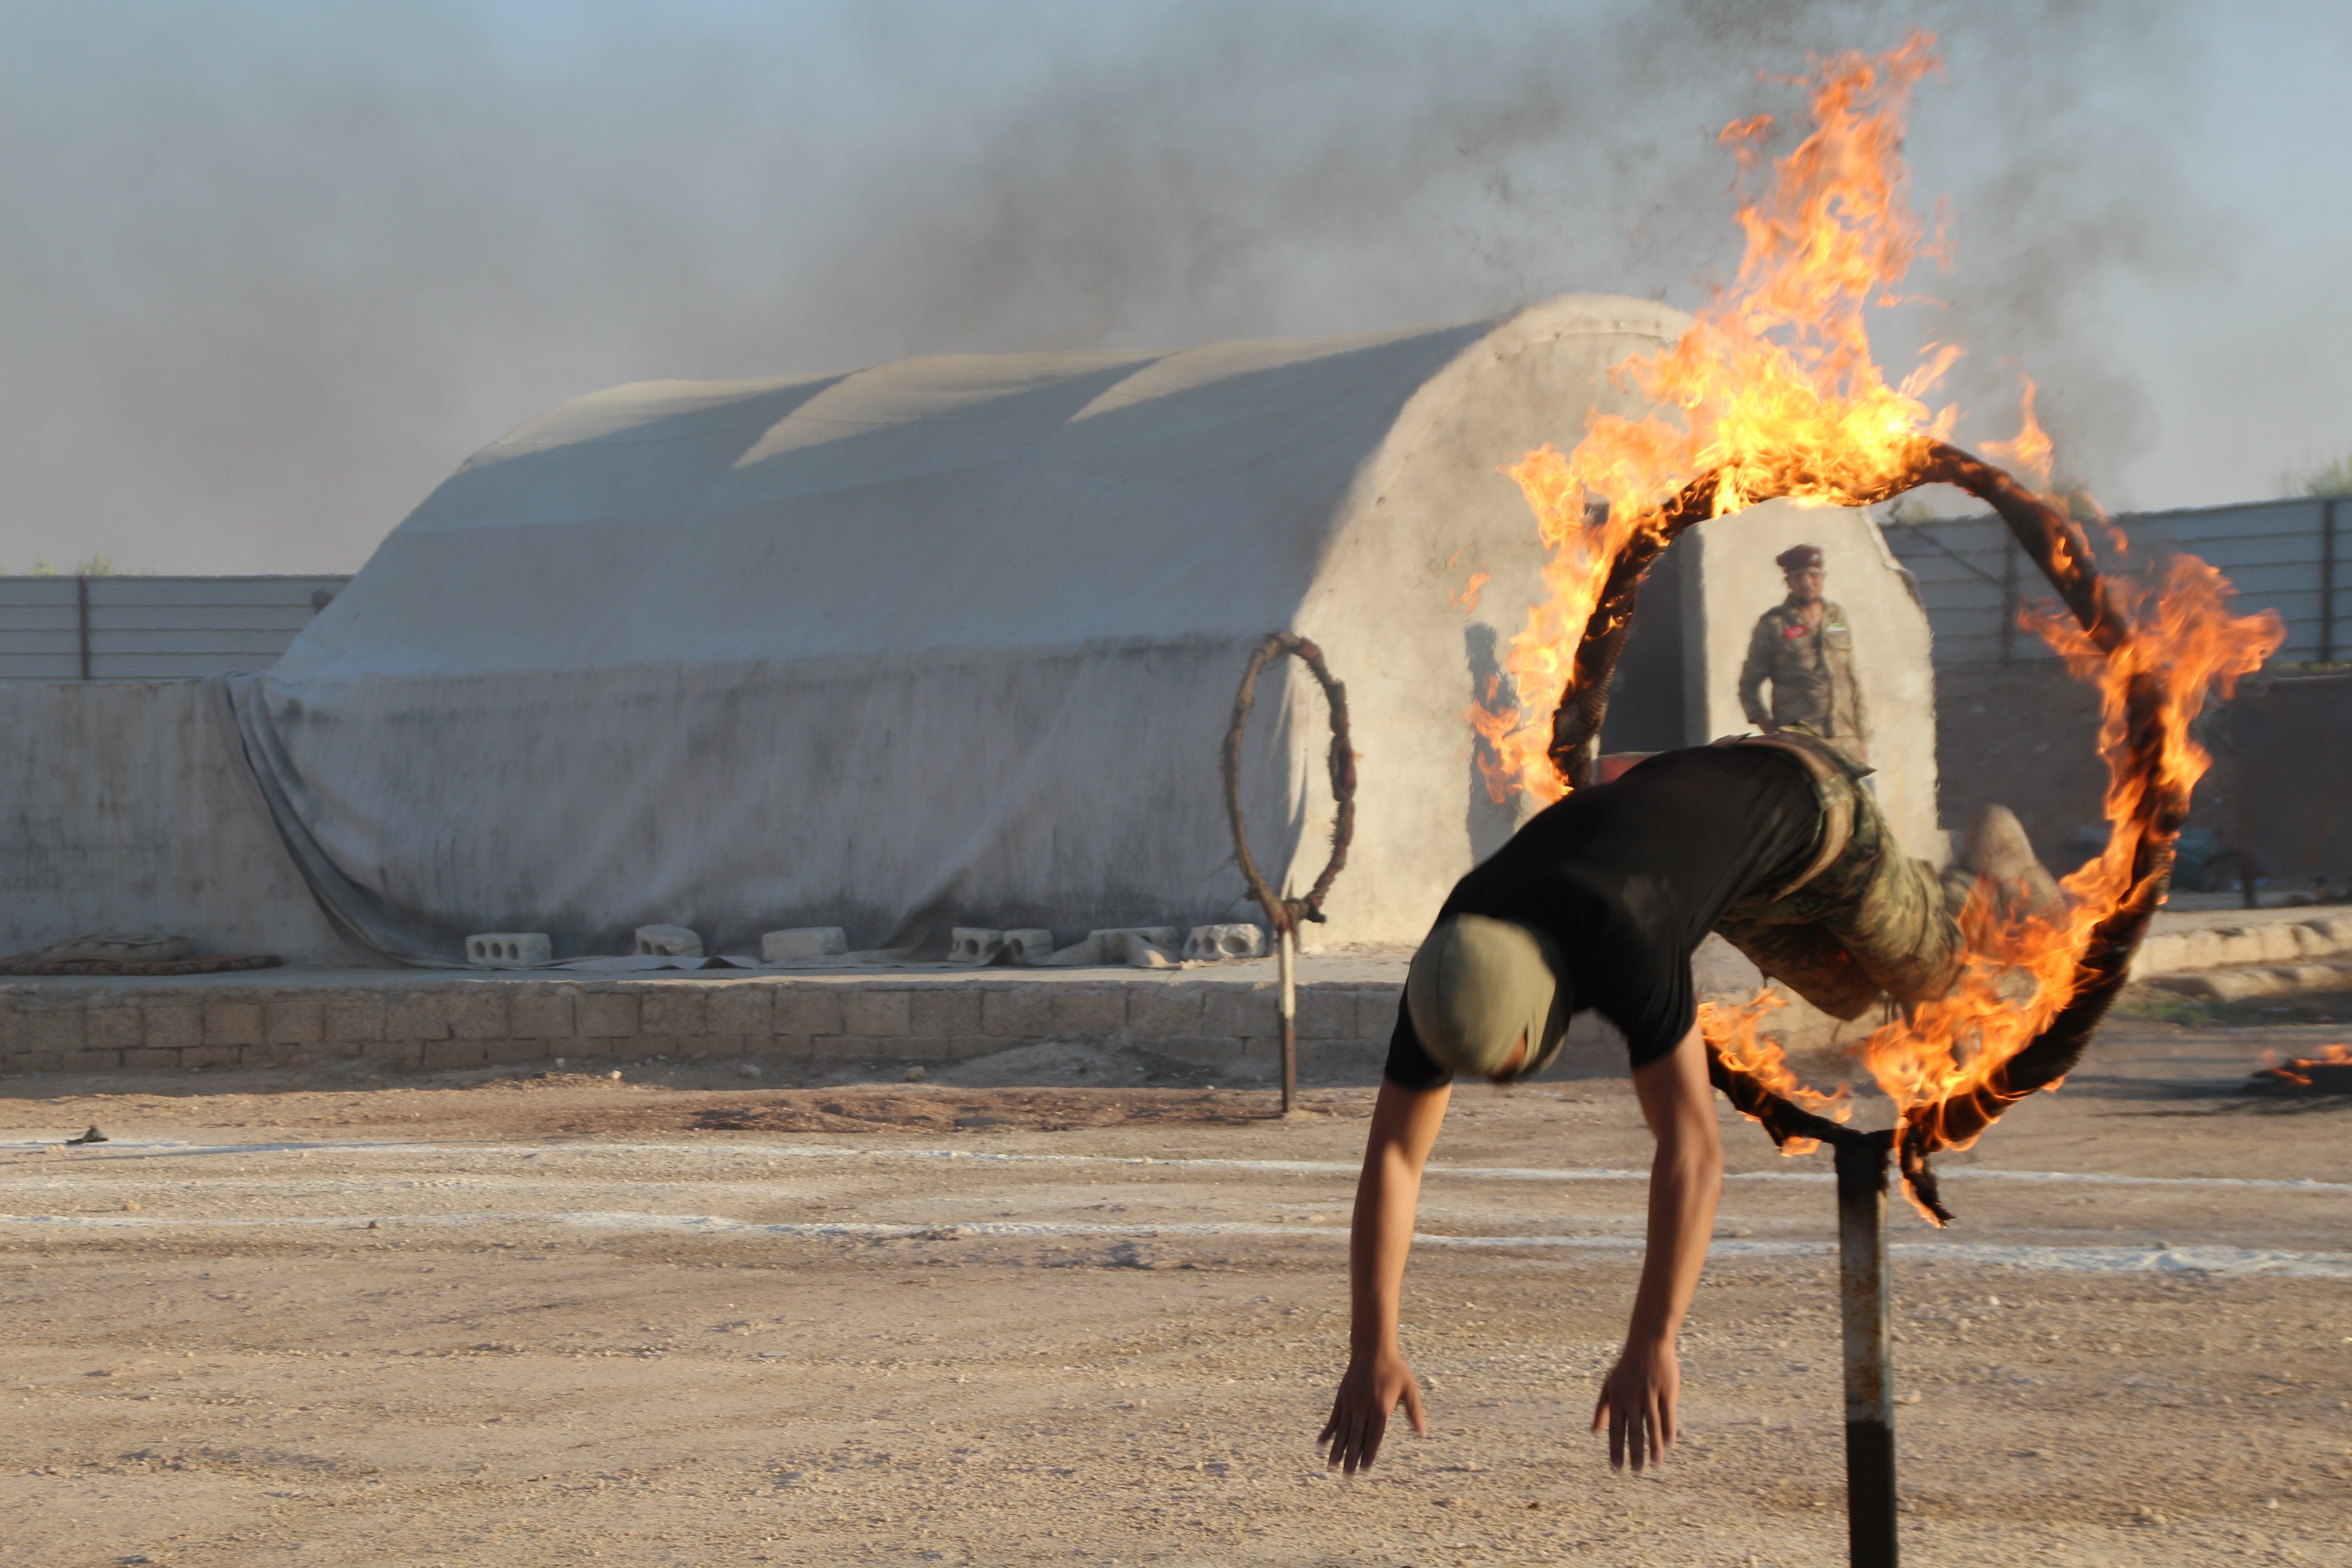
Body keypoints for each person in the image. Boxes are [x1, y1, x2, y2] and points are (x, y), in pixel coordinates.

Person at [1316, 727, 2055, 1476]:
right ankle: (1926, 898)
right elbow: (1395, 1155)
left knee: (1926, 976)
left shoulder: (1623, 933)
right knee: (1849, 990)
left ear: (1545, 1018)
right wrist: (1371, 1344)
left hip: (1810, 811)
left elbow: (1692, 1151)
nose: (1498, 1083)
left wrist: (1652, 1339)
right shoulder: (1449, 960)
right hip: (1723, 850)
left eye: (1503, 1066)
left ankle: (1985, 875)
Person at [1739, 544, 1868, 768]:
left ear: (1823, 577)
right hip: (1801, 742)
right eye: (1799, 577)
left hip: (1846, 741)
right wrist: (1771, 731)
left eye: (1814, 575)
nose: (1808, 582)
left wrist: (1863, 736)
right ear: (1789, 583)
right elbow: (1748, 685)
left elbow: (1851, 676)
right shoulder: (1775, 623)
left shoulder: (1837, 617)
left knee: (1864, 801)